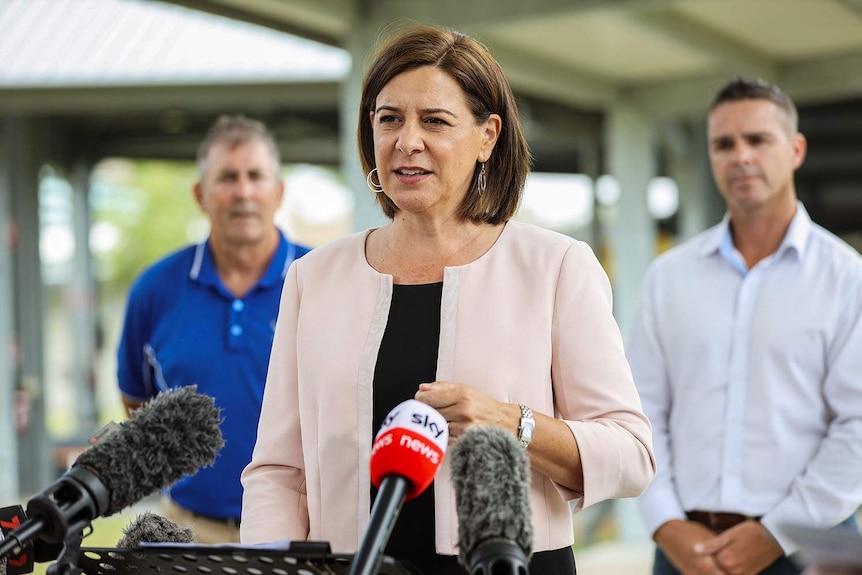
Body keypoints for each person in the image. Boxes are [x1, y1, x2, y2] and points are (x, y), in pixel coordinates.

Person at [240, 24, 655, 575]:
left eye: (434, 121)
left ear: (488, 136)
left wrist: (512, 422)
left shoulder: (556, 266)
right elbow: (277, 471)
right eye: (389, 119)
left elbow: (631, 455)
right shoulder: (313, 277)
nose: (407, 141)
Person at [626, 77, 862, 575]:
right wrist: (665, 523)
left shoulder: (847, 278)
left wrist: (775, 534)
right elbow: (640, 411)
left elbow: (857, 423)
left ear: (795, 149)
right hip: (682, 549)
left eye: (757, 140)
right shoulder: (669, 277)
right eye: (723, 144)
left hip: (810, 549)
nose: (740, 156)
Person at [116, 115, 311, 543]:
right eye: (227, 177)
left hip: (302, 529)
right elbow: (136, 403)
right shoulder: (154, 290)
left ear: (278, 192)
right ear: (201, 195)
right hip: (189, 530)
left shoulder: (321, 278)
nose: (243, 191)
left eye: (256, 176)